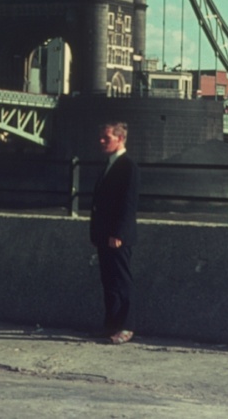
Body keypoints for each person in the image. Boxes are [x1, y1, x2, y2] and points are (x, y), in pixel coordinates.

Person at [89, 121, 140, 344]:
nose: (101, 141)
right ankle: (110, 325)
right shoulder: (110, 164)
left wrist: (119, 233)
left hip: (118, 236)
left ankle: (127, 326)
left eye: (106, 138)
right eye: (101, 137)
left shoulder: (128, 166)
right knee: (108, 281)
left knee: (121, 281)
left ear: (119, 139)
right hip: (104, 234)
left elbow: (128, 204)